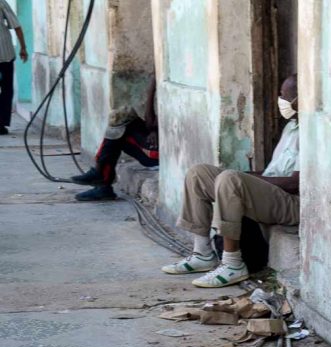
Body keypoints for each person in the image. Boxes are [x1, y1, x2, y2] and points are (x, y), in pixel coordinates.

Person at [161, 74, 300, 288]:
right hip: (274, 193)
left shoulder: (311, 133)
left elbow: (294, 183)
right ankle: (203, 252)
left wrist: (244, 180)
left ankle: (233, 264)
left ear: (298, 101)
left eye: (284, 95)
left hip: (292, 203)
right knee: (199, 173)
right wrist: (246, 177)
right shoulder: (291, 128)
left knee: (229, 179)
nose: (279, 99)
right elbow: (274, 171)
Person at [71, 77, 159, 201]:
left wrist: (154, 130)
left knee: (121, 129)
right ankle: (101, 181)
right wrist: (153, 86)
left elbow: (156, 125)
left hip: (158, 157)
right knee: (120, 121)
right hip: (153, 151)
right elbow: (149, 122)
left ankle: (101, 178)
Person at [0, 0, 27, 135]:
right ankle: (1, 123)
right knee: (6, 89)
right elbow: (16, 25)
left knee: (6, 89)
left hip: (5, 53)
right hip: (4, 53)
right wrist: (23, 47)